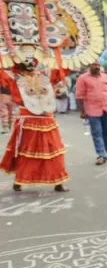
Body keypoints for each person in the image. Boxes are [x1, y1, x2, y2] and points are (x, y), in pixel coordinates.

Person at [0, 56, 70, 192]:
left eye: (32, 61)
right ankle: (19, 181)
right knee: (26, 152)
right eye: (26, 61)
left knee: (54, 151)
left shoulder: (45, 76)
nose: (30, 64)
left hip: (46, 120)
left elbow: (61, 70)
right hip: (28, 120)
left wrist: (64, 56)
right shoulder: (15, 80)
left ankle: (58, 182)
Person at [76, 62, 107, 165]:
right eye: (94, 65)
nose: (97, 67)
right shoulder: (83, 78)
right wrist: (82, 111)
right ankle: (101, 154)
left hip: (106, 108)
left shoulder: (105, 76)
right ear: (89, 66)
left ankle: (104, 150)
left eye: (98, 65)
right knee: (97, 133)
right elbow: (79, 96)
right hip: (92, 110)